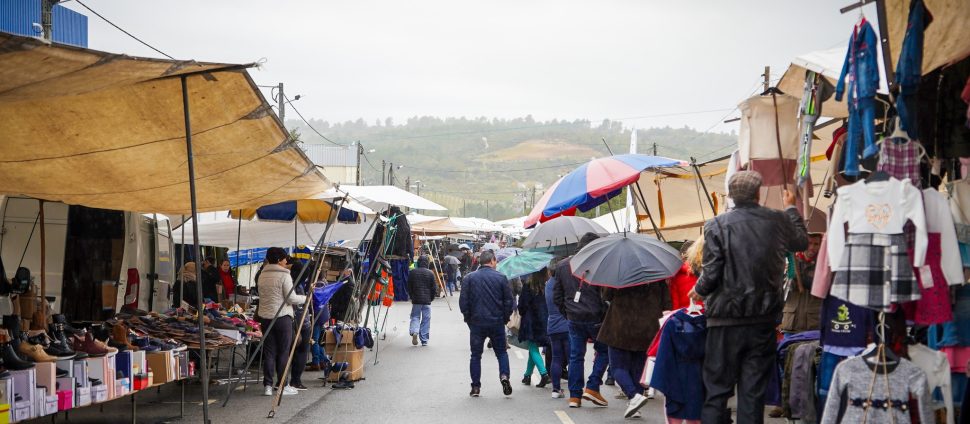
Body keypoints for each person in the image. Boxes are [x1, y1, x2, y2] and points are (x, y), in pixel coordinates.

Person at [688, 171, 808, 424]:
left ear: (730, 196)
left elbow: (712, 271)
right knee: (752, 394)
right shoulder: (778, 220)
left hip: (724, 320)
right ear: (758, 194)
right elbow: (801, 242)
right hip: (762, 321)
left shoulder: (716, 225)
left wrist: (698, 290)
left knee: (716, 391)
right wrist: (790, 207)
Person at [553, 232, 610, 409]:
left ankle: (575, 397)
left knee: (576, 356)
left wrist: (567, 312)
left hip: (574, 318)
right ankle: (592, 386)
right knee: (605, 351)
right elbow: (605, 294)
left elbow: (557, 296)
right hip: (595, 317)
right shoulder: (599, 265)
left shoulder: (562, 266)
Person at [598, 282, 671, 419]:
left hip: (620, 327)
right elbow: (666, 303)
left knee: (618, 368)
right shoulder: (657, 276)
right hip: (648, 328)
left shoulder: (620, 273)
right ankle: (635, 405)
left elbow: (606, 296)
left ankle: (634, 395)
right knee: (638, 369)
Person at [459, 250, 514, 397]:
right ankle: (504, 376)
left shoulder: (469, 278)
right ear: (492, 261)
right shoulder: (501, 278)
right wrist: (505, 318)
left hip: (476, 323)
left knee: (476, 355)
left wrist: (468, 318)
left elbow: (463, 302)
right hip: (496, 322)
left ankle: (475, 387)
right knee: (501, 352)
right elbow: (509, 301)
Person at [256, 247, 307, 397]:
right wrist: (305, 298)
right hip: (282, 317)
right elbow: (291, 298)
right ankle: (282, 385)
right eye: (285, 259)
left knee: (269, 352)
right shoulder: (285, 276)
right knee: (284, 352)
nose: (286, 262)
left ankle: (268, 386)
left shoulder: (261, 275)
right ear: (279, 260)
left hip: (265, 317)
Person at [518, 270, 550, 388]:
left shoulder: (528, 286)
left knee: (532, 346)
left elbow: (522, 304)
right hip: (544, 319)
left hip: (530, 321)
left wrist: (522, 312)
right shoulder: (547, 285)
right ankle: (527, 375)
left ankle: (544, 373)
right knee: (534, 347)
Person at [543, 268, 570, 399]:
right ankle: (576, 391)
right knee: (573, 358)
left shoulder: (548, 284)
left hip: (552, 325)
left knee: (556, 358)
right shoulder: (564, 283)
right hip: (566, 325)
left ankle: (556, 389)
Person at [407, 255, 437, 346]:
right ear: (427, 263)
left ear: (418, 263)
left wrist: (412, 296)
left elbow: (409, 286)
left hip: (416, 300)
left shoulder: (412, 272)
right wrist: (431, 298)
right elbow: (434, 288)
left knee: (415, 316)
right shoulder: (430, 273)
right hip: (427, 300)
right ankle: (424, 340)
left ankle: (415, 331)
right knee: (426, 319)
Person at [668, 240, 700, 310]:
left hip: (685, 317)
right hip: (704, 314)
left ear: (682, 256)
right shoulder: (706, 272)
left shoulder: (675, 276)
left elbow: (675, 304)